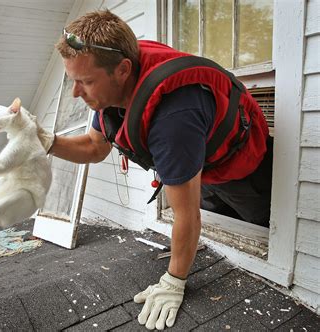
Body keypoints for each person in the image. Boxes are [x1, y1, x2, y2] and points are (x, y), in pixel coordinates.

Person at [37, 10, 273, 331]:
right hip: (201, 163)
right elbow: (94, 147)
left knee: (256, 221)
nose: (77, 93)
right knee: (201, 201)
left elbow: (186, 216)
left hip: (244, 171)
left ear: (123, 70)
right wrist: (43, 141)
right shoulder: (109, 78)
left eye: (86, 82)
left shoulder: (174, 117)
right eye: (72, 80)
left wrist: (174, 281)